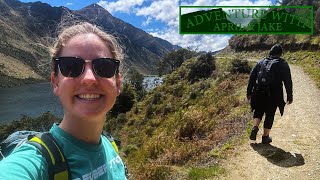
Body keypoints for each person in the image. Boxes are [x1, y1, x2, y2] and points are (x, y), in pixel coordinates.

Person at [0, 22, 127, 179]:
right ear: (56, 82)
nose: (89, 79)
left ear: (118, 83)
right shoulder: (34, 162)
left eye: (104, 67)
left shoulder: (111, 145)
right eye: (71, 66)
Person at [247, 44, 293, 144]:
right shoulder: (282, 63)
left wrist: (249, 92)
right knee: (270, 113)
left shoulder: (260, 62)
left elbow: (252, 78)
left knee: (258, 110)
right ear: (280, 54)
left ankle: (255, 127)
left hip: (258, 91)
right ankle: (265, 137)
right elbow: (288, 81)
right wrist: (290, 96)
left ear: (270, 52)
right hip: (274, 93)